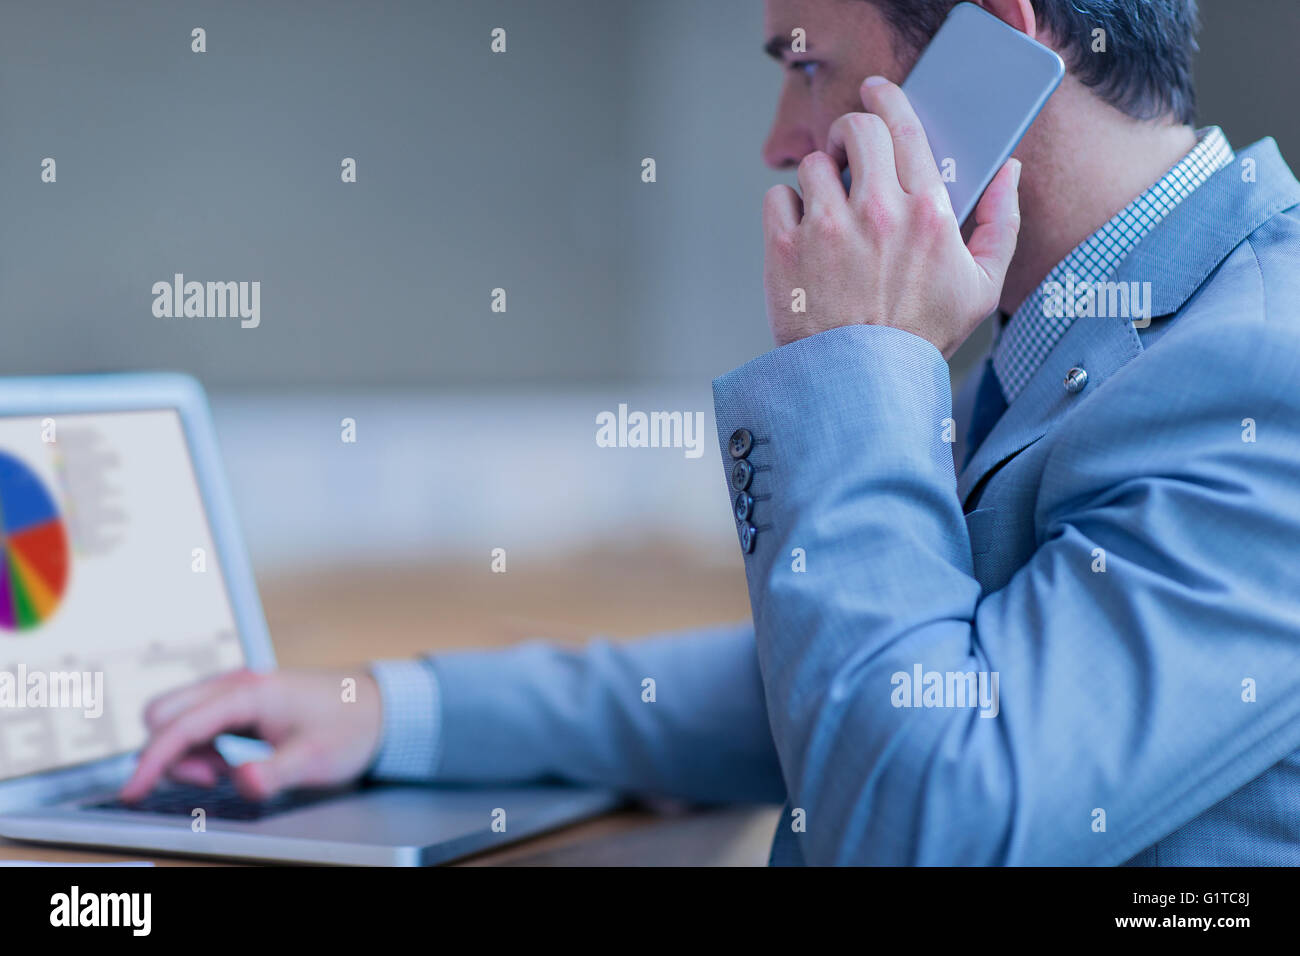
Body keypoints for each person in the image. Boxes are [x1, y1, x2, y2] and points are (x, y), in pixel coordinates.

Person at [120, 0, 1300, 865]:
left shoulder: (1259, 366)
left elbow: (926, 826)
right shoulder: (1095, 331)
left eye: (806, 67)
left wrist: (858, 359)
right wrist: (395, 709)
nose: (779, 138)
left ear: (990, 49)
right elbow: (850, 684)